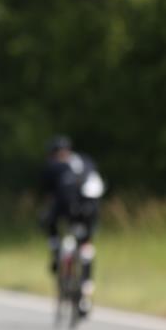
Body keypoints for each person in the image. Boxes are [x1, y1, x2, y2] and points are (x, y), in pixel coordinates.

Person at [39, 135, 105, 315]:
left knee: (49, 222)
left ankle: (55, 254)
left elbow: (49, 197)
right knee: (86, 247)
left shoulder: (54, 167)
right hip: (90, 208)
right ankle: (85, 292)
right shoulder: (84, 161)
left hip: (70, 207)